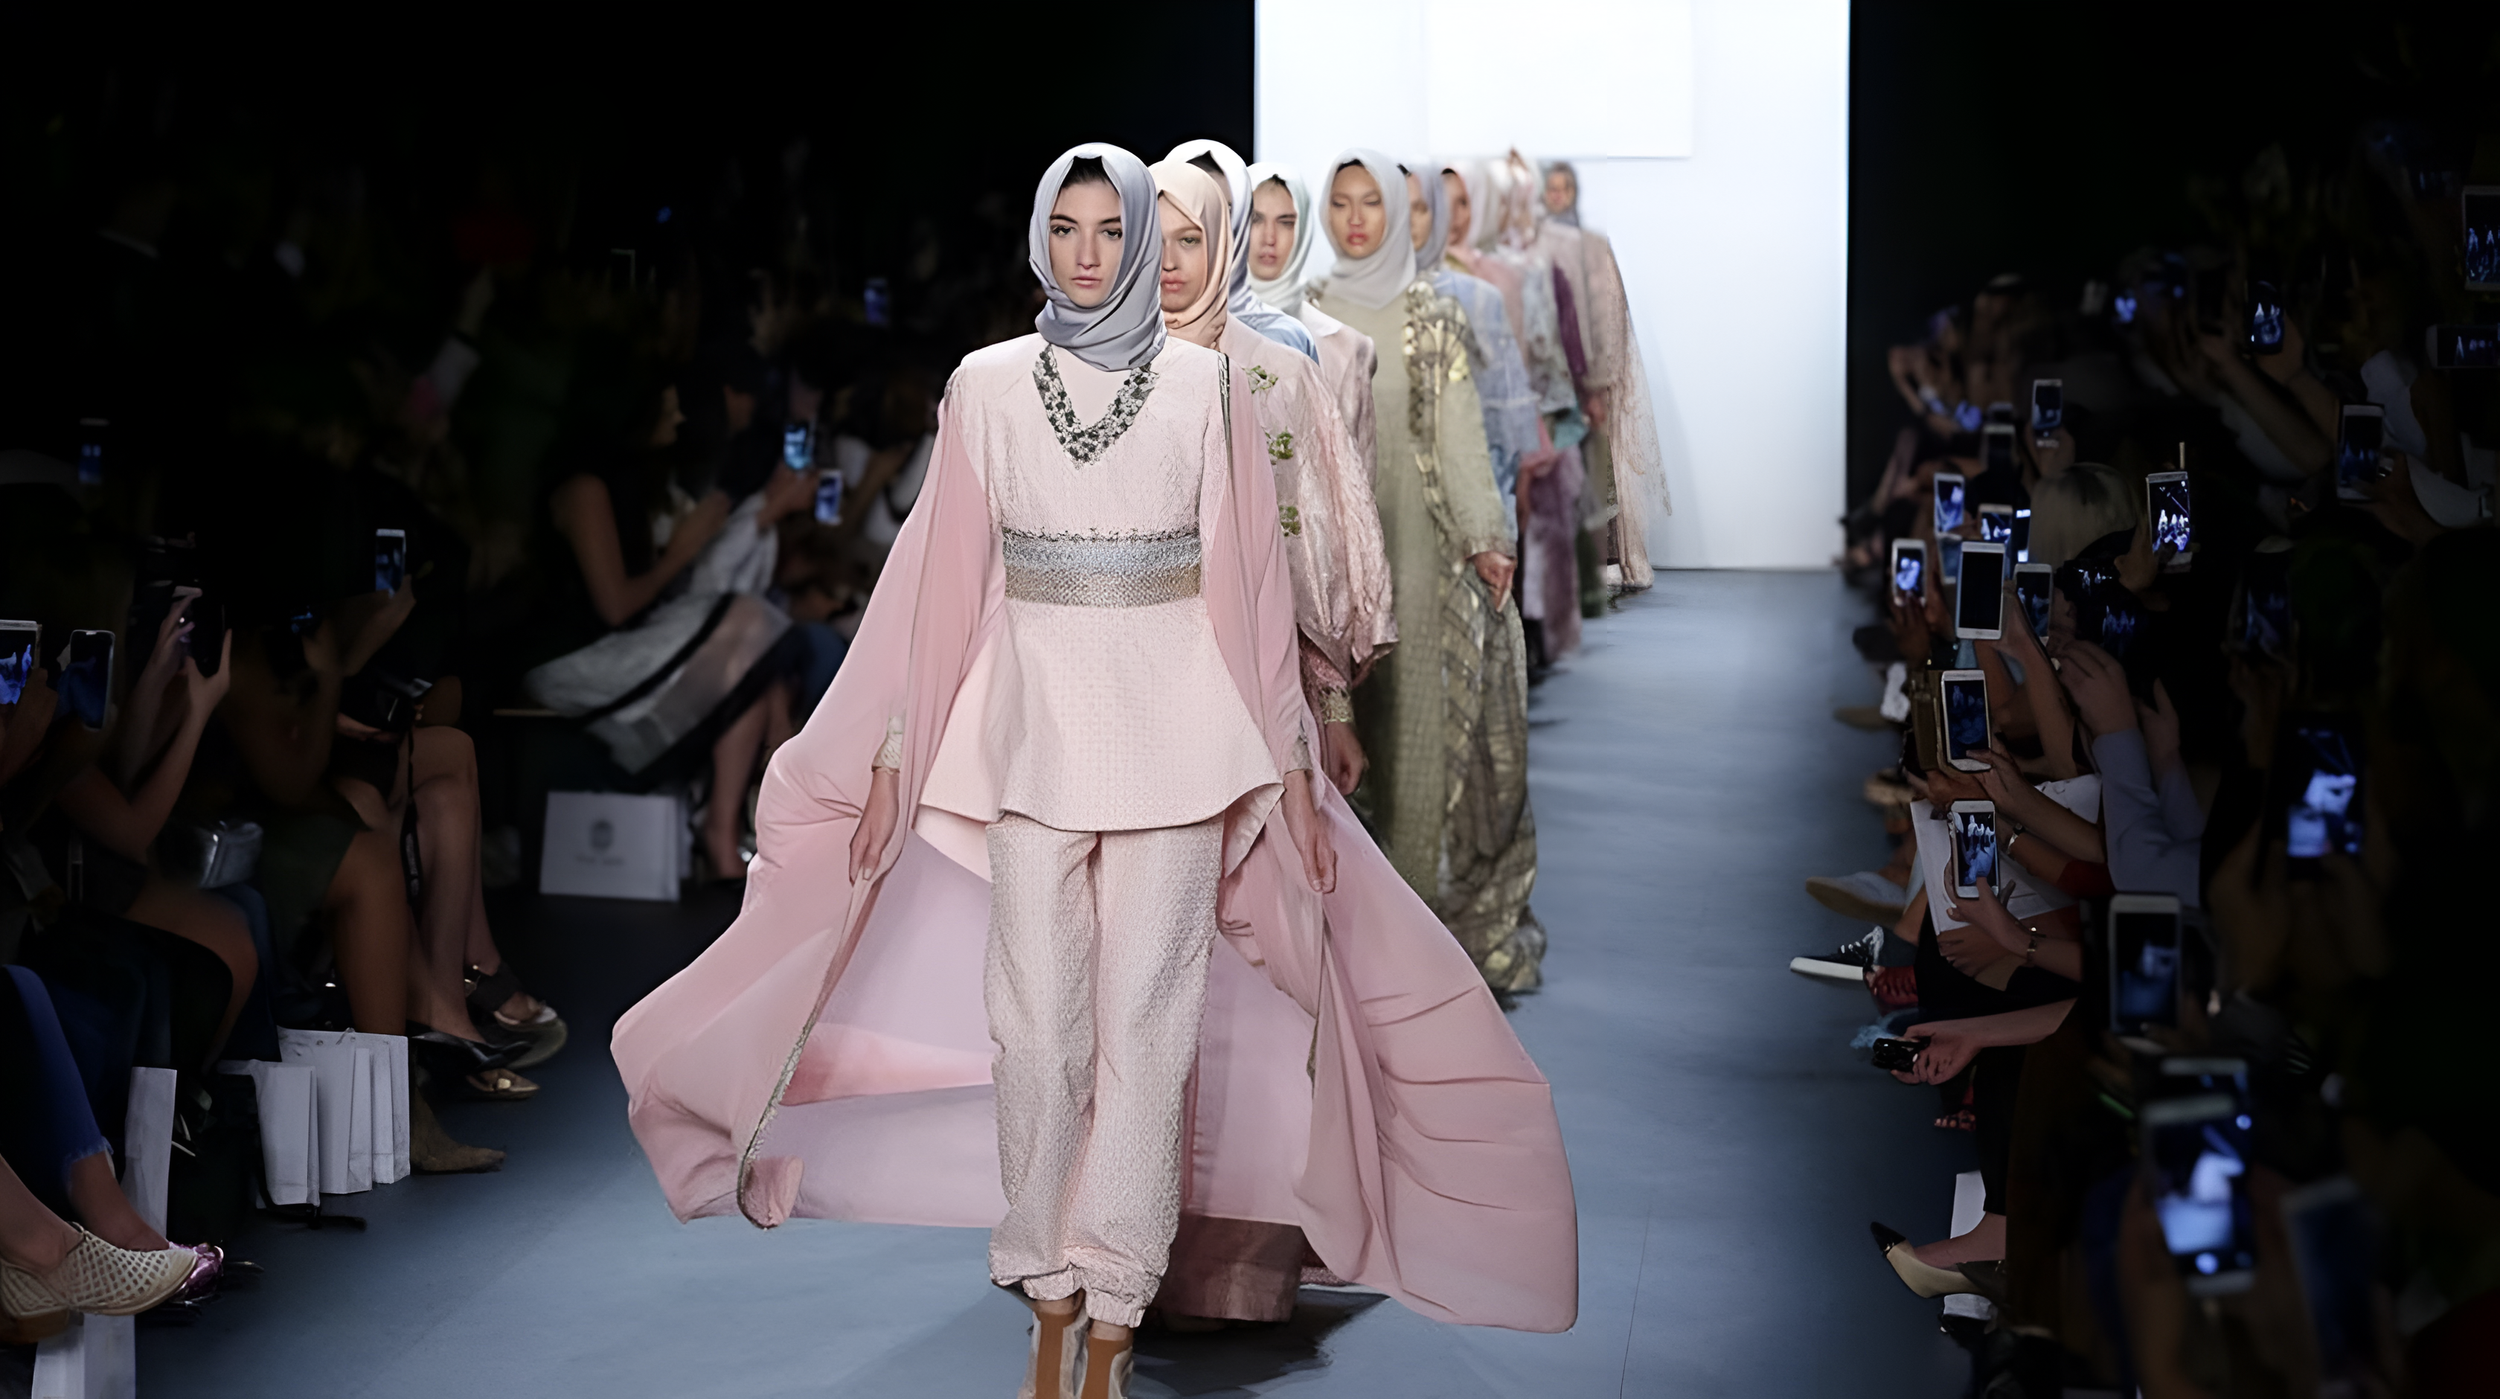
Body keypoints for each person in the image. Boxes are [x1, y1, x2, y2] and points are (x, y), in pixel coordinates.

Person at [612, 145, 1577, 1399]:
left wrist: (1292, 770)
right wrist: (896, 756)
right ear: (1037, 238)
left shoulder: (1206, 386)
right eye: (1064, 228)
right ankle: (1045, 1287)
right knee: (1033, 1033)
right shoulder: (985, 385)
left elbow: (1248, 595)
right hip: (1025, 743)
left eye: (1110, 229)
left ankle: (1113, 1307)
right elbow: (939, 590)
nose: (1087, 252)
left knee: (1148, 1035)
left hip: (1179, 745)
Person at [1308, 149, 1544, 994]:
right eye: (1341, 202)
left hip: (1410, 543)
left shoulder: (1430, 311)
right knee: (1326, 733)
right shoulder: (1304, 309)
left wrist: (1486, 534)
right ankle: (1331, 950)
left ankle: (1404, 960)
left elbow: (1458, 430)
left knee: (1410, 741)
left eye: (1371, 202)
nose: (1356, 219)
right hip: (1321, 556)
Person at [1150, 158, 1395, 799]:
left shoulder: (1281, 371)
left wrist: (1333, 708)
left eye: (1191, 237)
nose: (1170, 261)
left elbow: (1309, 546)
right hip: (1130, 682)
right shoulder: (1091, 370)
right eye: (1153, 236)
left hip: (1258, 673)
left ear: (1221, 240)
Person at [1244, 162, 1379, 484]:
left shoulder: (1346, 347)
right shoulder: (1198, 331)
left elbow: (1355, 485)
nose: (1269, 238)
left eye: (1286, 222)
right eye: (1255, 220)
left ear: (1303, 228)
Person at [1162, 140, 1319, 362]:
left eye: (1222, 210)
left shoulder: (1283, 337)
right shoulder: (1125, 333)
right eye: (1185, 206)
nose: (1204, 224)